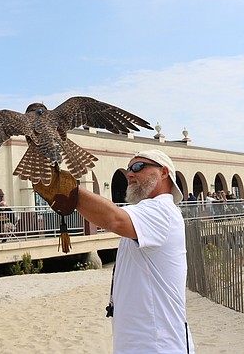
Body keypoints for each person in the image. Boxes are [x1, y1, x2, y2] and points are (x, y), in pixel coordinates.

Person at [75, 150, 194, 353]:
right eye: (129, 168)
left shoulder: (162, 209)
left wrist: (69, 191)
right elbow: (107, 218)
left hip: (159, 346)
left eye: (138, 167)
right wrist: (66, 195)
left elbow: (114, 219)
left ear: (164, 172)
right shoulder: (148, 212)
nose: (130, 174)